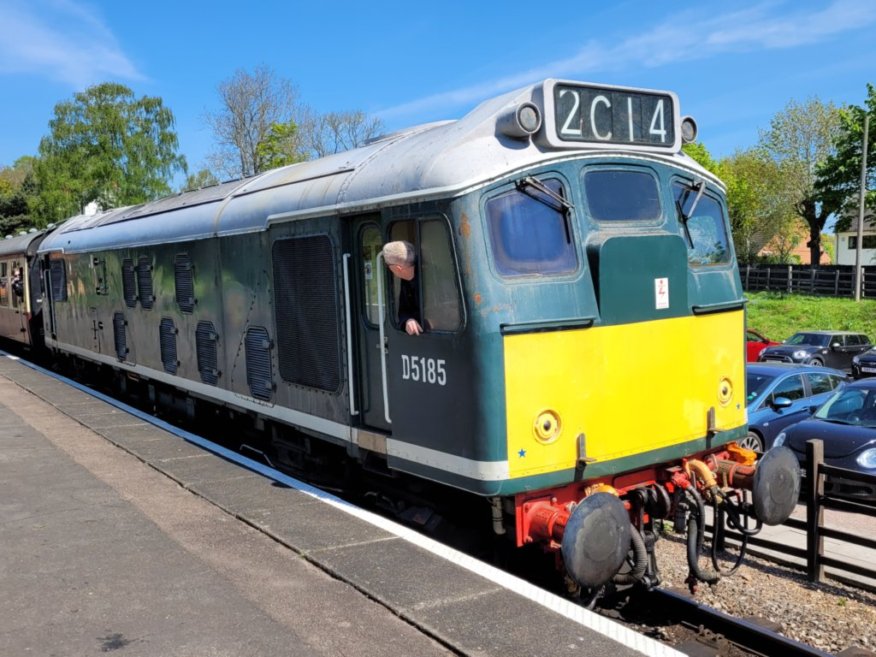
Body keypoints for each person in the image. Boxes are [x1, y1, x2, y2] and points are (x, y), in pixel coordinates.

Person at [381, 240, 423, 336]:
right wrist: (408, 320)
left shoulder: (432, 279)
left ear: (397, 268)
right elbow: (403, 311)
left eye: (388, 265)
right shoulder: (405, 280)